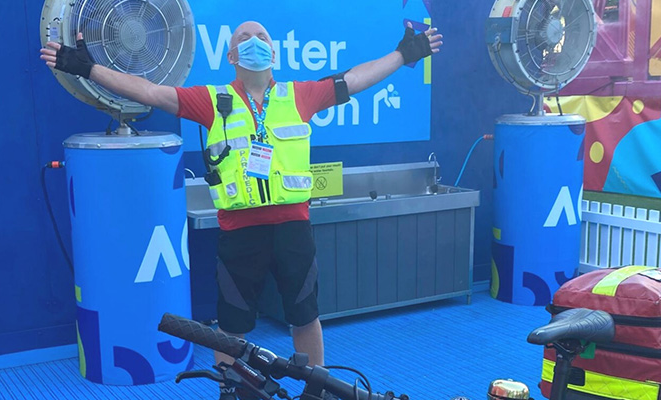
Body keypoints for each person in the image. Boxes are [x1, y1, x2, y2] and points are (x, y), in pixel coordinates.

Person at [41, 19, 442, 400]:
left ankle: (315, 392)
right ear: (231, 57)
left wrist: (403, 55)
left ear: (274, 53)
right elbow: (149, 92)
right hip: (238, 233)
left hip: (294, 230)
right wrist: (87, 68)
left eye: (261, 36)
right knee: (231, 328)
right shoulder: (212, 102)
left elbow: (356, 79)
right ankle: (232, 391)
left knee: (304, 316)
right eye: (243, 37)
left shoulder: (301, 95)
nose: (254, 41)